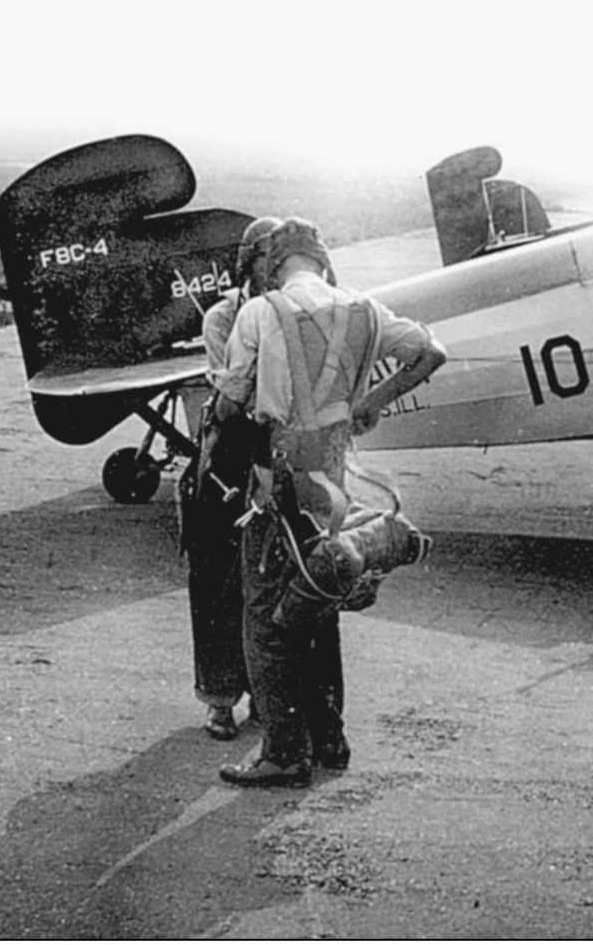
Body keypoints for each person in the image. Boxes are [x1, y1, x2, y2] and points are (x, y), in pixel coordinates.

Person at [213, 217, 447, 787]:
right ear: (322, 261)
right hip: (335, 478)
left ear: (273, 265)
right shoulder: (365, 310)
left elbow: (227, 406)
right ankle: (330, 740)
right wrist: (371, 402)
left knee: (267, 622)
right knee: (315, 604)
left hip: (279, 482)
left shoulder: (259, 313)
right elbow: (431, 352)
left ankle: (284, 753)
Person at [178, 216, 283, 741]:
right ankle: (220, 698)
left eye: (282, 256)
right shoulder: (224, 317)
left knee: (274, 582)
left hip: (278, 451)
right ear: (249, 262)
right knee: (218, 581)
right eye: (267, 255)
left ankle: (270, 697)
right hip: (229, 455)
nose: (276, 266)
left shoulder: (293, 311)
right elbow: (233, 395)